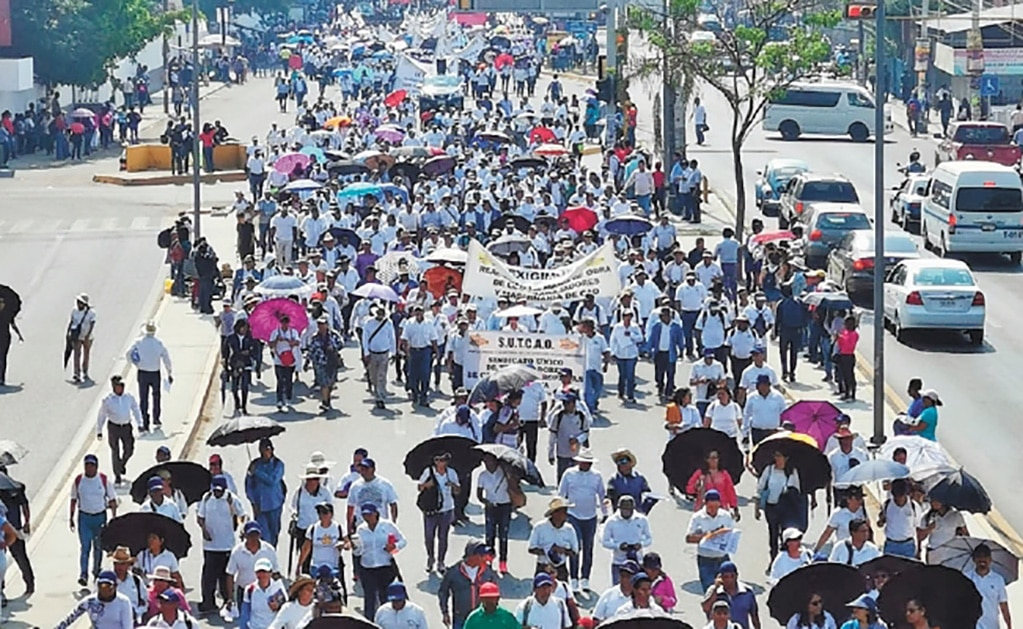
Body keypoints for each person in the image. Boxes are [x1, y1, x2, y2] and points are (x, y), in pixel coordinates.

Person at [558, 449, 607, 593]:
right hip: (573, 515)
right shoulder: (569, 474)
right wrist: (560, 513)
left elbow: (602, 495)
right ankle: (573, 579)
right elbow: (561, 494)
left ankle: (585, 578)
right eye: (584, 462)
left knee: (588, 548)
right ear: (578, 461)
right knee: (575, 548)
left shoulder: (597, 476)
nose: (586, 465)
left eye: (588, 463)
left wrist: (605, 514)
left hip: (590, 516)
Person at [197, 474, 246, 613]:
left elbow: (242, 515)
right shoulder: (207, 498)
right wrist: (204, 530)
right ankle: (208, 602)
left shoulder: (231, 499)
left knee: (225, 576)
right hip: (210, 545)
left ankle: (228, 601)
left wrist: (242, 527)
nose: (217, 493)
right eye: (215, 490)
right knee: (208, 576)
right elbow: (200, 517)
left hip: (226, 544)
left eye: (220, 490)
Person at [70, 453, 118, 586]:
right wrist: (71, 517)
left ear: (96, 466)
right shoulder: (79, 480)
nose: (89, 468)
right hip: (84, 518)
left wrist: (114, 518)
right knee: (85, 547)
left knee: (98, 546)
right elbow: (74, 499)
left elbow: (112, 499)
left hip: (100, 517)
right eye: (87, 465)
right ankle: (83, 574)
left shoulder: (103, 480)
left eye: (92, 465)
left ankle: (96, 570)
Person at [438, 540, 499, 629]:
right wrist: (445, 612)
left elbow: (495, 593)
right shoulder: (454, 572)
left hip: (481, 617)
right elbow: (443, 592)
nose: (487, 558)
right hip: (460, 618)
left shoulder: (488, 573)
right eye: (483, 555)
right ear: (473, 556)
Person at [95, 375, 143, 485]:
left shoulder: (129, 397)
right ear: (113, 386)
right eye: (118, 386)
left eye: (122, 385)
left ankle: (122, 464)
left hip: (126, 426)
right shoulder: (107, 400)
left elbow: (135, 409)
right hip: (114, 427)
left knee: (129, 449)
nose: (120, 388)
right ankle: (117, 475)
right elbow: (102, 415)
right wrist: (99, 430)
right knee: (115, 450)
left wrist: (140, 423)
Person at [754, 450, 801, 563]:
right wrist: (756, 508)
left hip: (786, 508)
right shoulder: (769, 469)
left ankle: (786, 559)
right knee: (773, 534)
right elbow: (760, 488)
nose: (777, 458)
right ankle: (774, 559)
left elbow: (796, 490)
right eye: (775, 455)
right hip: (771, 507)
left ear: (786, 458)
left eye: (779, 456)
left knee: (786, 535)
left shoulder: (791, 472)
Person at [126, 320, 173, 431]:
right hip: (155, 373)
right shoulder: (158, 343)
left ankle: (144, 421)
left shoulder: (138, 342)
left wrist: (134, 364)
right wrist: (169, 372)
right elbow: (166, 358)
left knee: (143, 398)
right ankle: (156, 418)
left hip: (142, 372)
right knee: (156, 396)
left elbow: (128, 353)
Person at [419, 452, 460, 573]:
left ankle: (441, 561)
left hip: (446, 509)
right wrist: (428, 484)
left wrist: (452, 485)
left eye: (443, 460)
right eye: (438, 459)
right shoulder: (428, 472)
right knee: (429, 536)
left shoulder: (451, 473)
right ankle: (430, 557)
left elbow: (458, 491)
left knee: (443, 537)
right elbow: (419, 487)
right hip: (431, 509)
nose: (440, 462)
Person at [687, 489, 736, 591]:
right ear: (705, 504)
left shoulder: (725, 516)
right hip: (705, 559)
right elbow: (689, 538)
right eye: (710, 507)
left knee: (727, 589)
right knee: (709, 590)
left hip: (722, 558)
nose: (713, 510)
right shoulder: (698, 517)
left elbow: (732, 534)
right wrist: (708, 535)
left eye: (716, 507)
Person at [55, 570, 134, 629]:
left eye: (108, 588)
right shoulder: (90, 601)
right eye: (101, 587)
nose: (104, 591)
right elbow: (70, 618)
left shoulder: (124, 602)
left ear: (115, 587)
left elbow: (128, 627)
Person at [601, 495, 652, 584]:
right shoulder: (611, 521)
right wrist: (618, 546)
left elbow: (649, 538)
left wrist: (641, 544)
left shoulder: (642, 519)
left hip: (637, 562)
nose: (626, 511)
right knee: (618, 590)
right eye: (624, 509)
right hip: (619, 562)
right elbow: (604, 541)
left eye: (629, 509)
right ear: (619, 508)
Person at [477, 453, 513, 575]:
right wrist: (485, 501)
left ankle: (503, 562)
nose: (488, 465)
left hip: (505, 506)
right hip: (491, 507)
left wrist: (509, 476)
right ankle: (489, 560)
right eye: (485, 462)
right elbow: (479, 494)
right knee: (489, 535)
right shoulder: (482, 476)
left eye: (490, 462)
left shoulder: (503, 472)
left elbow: (513, 485)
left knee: (503, 535)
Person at [0, 463, 34, 597]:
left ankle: (29, 583)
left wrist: (26, 522)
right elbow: (25, 506)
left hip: (11, 530)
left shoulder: (16, 489)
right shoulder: (16, 488)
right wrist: (27, 522)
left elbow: (24, 506)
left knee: (19, 557)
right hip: (10, 529)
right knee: (19, 558)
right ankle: (28, 584)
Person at [528, 498, 579, 582]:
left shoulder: (569, 529)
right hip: (543, 567)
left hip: (561, 569)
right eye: (564, 512)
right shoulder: (539, 527)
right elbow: (531, 548)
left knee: (562, 593)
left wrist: (563, 550)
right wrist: (548, 550)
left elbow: (574, 552)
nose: (566, 515)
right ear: (555, 513)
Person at [701, 562, 760, 629]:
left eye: (732, 576)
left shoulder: (747, 592)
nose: (729, 580)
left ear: (737, 576)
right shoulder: (714, 591)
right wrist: (715, 589)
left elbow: (754, 616)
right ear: (721, 577)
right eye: (726, 577)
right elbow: (706, 608)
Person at [966, 543, 1011, 629]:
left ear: (990, 559)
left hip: (992, 626)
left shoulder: (998, 580)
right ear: (974, 559)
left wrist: (1009, 626)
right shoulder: (966, 578)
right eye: (979, 556)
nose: (982, 559)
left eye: (985, 556)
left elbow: (1004, 605)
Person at [686, 451, 740, 518]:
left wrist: (734, 506)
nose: (714, 461)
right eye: (711, 458)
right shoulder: (700, 473)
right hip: (704, 508)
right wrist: (696, 486)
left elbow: (730, 490)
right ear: (707, 460)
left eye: (715, 458)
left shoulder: (724, 474)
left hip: (721, 507)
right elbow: (689, 489)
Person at [240, 558, 286, 629]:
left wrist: (278, 607)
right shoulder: (250, 589)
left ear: (270, 573)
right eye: (259, 572)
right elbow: (245, 613)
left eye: (265, 571)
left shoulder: (278, 587)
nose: (262, 575)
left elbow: (286, 610)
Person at [269, 315, 301, 413]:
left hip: (290, 359)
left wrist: (289, 341)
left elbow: (297, 342)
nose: (284, 324)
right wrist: (277, 340)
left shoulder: (293, 332)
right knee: (280, 380)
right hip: (279, 360)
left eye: (286, 322)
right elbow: (270, 345)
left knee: (288, 380)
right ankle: (279, 400)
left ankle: (288, 397)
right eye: (283, 322)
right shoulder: (275, 332)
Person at [68, 293, 96, 384]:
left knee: (86, 354)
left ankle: (85, 371)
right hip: (77, 336)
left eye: (80, 302)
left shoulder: (91, 313)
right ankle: (76, 373)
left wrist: (88, 335)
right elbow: (71, 321)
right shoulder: (74, 311)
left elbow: (92, 324)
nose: (78, 304)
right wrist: (68, 333)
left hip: (87, 336)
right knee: (77, 354)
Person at [0, 289, 23, 386]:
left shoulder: (7, 314)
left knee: (2, 358)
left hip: (4, 338)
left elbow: (12, 324)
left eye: (1, 302)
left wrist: (19, 335)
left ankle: (1, 378)